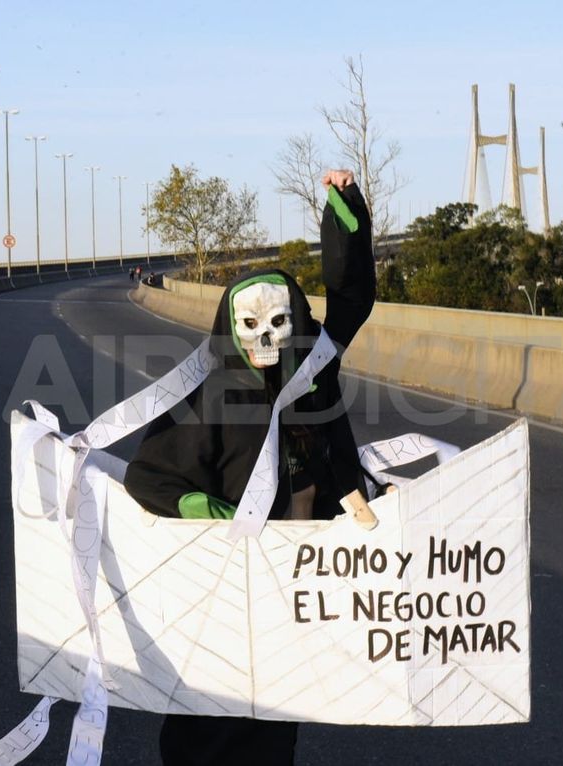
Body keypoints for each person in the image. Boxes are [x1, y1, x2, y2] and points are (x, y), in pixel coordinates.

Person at [123, 169, 375, 765]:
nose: (266, 337)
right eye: (252, 325)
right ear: (231, 330)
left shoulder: (314, 380)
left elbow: (352, 299)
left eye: (279, 323)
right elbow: (150, 477)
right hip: (218, 597)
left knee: (273, 723)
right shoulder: (211, 396)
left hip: (288, 591)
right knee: (209, 720)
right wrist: (213, 519)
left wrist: (343, 207)